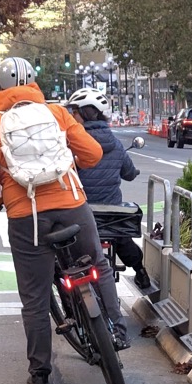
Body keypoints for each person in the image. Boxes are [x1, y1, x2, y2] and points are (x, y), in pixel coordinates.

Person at [0, 57, 129, 384]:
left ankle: (40, 371)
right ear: (33, 82)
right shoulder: (57, 113)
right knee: (98, 264)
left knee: (35, 296)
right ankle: (116, 327)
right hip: (71, 205)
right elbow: (92, 153)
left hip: (25, 217)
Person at [65, 87, 151, 290]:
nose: (71, 117)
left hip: (81, 211)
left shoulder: (71, 143)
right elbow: (128, 174)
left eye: (74, 112)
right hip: (112, 213)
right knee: (122, 239)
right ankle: (141, 272)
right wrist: (133, 172)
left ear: (85, 113)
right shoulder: (116, 144)